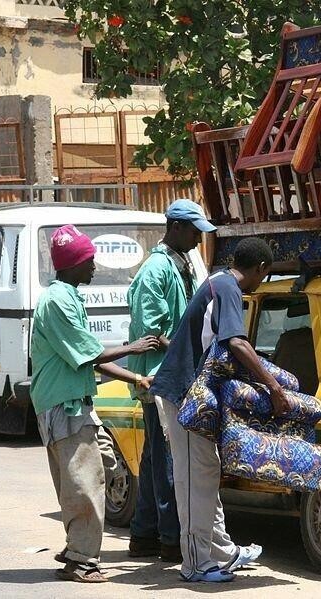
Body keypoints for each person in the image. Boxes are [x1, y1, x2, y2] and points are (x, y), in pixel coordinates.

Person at [150, 237, 289, 583]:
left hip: (194, 394)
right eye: (264, 276)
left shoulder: (218, 282)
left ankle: (223, 553)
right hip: (183, 394)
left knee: (206, 471)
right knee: (193, 478)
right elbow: (236, 342)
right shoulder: (228, 288)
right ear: (260, 270)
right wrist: (273, 387)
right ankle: (196, 564)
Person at [31, 225, 159, 583]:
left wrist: (135, 378)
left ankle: (77, 545)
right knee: (83, 482)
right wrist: (135, 348)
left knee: (100, 466)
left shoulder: (68, 296)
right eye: (89, 261)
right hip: (63, 403)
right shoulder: (57, 301)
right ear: (72, 264)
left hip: (76, 401)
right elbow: (89, 354)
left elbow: (89, 354)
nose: (95, 267)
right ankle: (81, 558)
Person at [127, 199, 216, 563]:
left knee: (154, 459)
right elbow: (152, 332)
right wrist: (188, 348)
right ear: (176, 227)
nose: (198, 239)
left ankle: (143, 534)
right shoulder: (156, 270)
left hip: (171, 374)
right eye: (194, 231)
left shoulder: (180, 265)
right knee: (167, 460)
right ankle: (169, 539)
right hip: (159, 377)